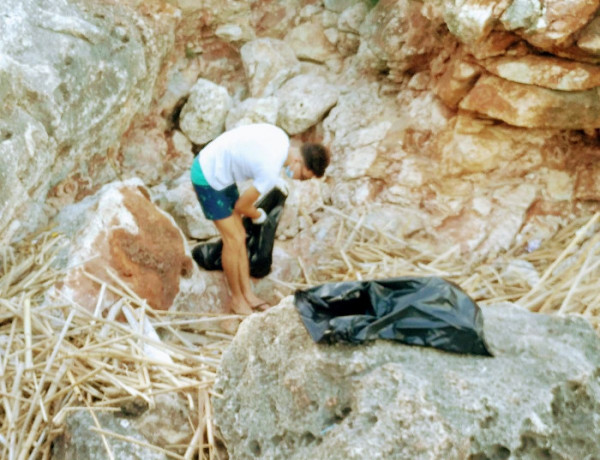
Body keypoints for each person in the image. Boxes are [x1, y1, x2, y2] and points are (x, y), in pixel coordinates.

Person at [190, 123, 330, 315]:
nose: (298, 180)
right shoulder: (270, 170)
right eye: (304, 177)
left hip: (221, 169)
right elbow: (242, 206)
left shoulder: (282, 138)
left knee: (240, 234)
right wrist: (259, 215)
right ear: (298, 161)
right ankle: (237, 300)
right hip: (207, 174)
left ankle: (247, 293)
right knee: (234, 239)